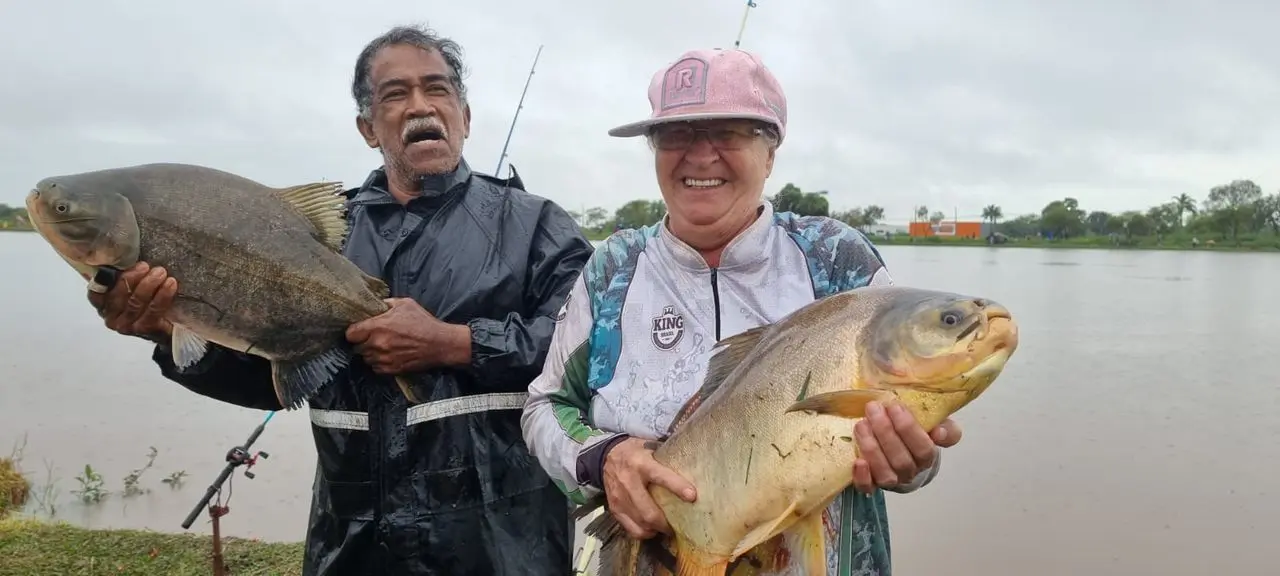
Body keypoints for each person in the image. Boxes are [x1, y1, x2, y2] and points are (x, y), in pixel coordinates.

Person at [86, 25, 593, 576]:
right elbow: (272, 380)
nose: (420, 106)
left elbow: (591, 356)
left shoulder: (536, 224)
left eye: (438, 89)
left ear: (464, 118)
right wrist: (164, 333)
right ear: (368, 128)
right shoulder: (317, 236)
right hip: (350, 548)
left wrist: (456, 344)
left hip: (508, 549)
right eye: (395, 95)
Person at [521, 48, 963, 575]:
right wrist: (603, 456)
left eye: (729, 132)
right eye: (676, 134)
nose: (700, 155)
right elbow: (544, 407)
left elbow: (912, 441)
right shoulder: (613, 267)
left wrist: (913, 463)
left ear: (771, 151)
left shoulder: (834, 259)